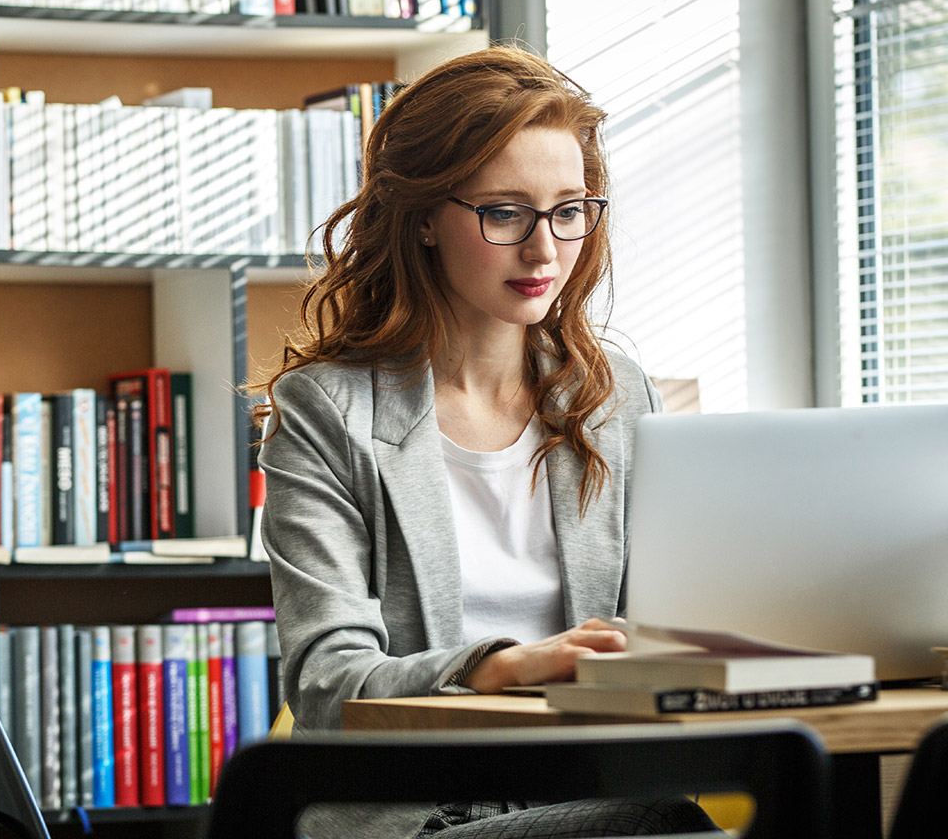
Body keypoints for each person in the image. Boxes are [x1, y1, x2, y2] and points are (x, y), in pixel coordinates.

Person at [255, 46, 717, 838]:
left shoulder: (616, 398)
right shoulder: (326, 412)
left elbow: (667, 623)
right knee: (659, 826)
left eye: (569, 210)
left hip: (583, 789)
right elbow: (329, 685)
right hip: (416, 814)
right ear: (425, 216)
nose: (545, 251)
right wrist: (493, 667)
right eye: (505, 212)